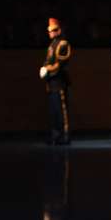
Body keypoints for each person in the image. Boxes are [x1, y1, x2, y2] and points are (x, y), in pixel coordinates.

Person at [40, 17, 71, 145]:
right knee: (53, 111)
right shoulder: (52, 45)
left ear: (59, 31)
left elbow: (61, 62)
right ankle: (55, 135)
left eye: (54, 30)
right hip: (51, 83)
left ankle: (65, 135)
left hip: (59, 82)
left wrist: (47, 69)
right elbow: (48, 60)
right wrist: (44, 67)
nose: (51, 33)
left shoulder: (63, 44)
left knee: (61, 111)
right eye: (50, 31)